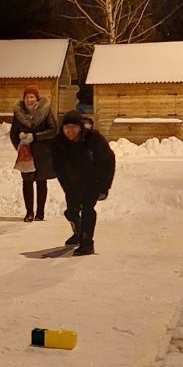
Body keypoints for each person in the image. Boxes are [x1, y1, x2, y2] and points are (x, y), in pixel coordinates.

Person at [52, 109, 116, 256]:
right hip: (73, 182)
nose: (70, 131)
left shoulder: (93, 139)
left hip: (93, 180)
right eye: (67, 127)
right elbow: (58, 168)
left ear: (80, 127)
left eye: (74, 127)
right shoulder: (58, 143)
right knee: (71, 211)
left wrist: (104, 186)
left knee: (87, 209)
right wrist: (67, 187)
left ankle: (87, 243)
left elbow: (108, 161)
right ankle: (79, 232)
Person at [9, 84, 58, 222]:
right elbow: (13, 133)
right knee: (27, 182)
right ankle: (29, 213)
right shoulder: (18, 114)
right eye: (27, 97)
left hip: (43, 153)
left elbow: (53, 130)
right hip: (27, 153)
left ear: (36, 98)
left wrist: (35, 137)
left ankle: (40, 213)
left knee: (41, 182)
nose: (29, 99)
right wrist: (20, 145)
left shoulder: (45, 111)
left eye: (32, 97)